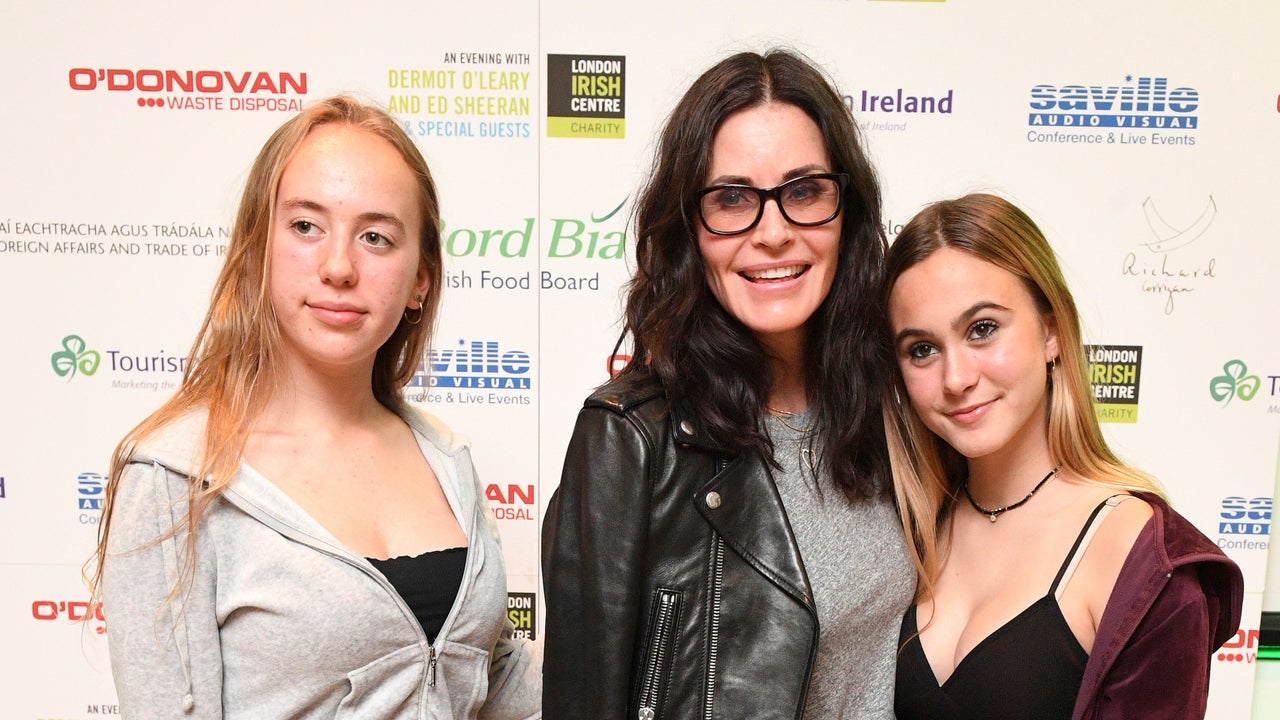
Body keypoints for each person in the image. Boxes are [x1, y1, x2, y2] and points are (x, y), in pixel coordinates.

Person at [89, 96, 539, 719]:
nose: (338, 266)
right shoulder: (176, 479)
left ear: (420, 279)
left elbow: (497, 685)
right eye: (306, 226)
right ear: (258, 249)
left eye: (376, 237)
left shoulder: (445, 458)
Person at [542, 49, 915, 719]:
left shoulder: (896, 411)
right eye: (732, 199)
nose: (772, 233)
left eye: (804, 191)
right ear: (690, 226)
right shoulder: (628, 439)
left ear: (846, 211)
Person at [884, 193, 1243, 719]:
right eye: (922, 349)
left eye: (982, 329)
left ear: (1051, 332)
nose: (956, 378)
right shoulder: (907, 529)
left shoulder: (1141, 558)